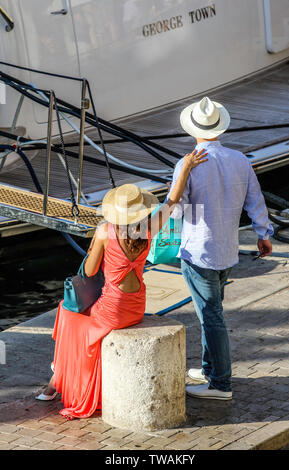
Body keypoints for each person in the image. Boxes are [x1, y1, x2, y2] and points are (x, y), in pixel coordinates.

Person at [35, 148, 208, 419]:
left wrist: (95, 243)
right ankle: (55, 382)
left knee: (67, 316)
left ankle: (56, 382)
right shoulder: (149, 227)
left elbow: (90, 271)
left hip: (113, 310)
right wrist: (185, 167)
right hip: (135, 306)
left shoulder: (105, 231)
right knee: (72, 318)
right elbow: (172, 200)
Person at [168, 96, 273, 400]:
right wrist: (263, 234)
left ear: (193, 129)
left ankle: (220, 384)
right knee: (210, 312)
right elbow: (256, 199)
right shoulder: (240, 159)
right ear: (219, 127)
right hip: (227, 249)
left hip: (199, 249)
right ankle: (208, 368)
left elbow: (176, 211)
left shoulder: (187, 163)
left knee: (211, 316)